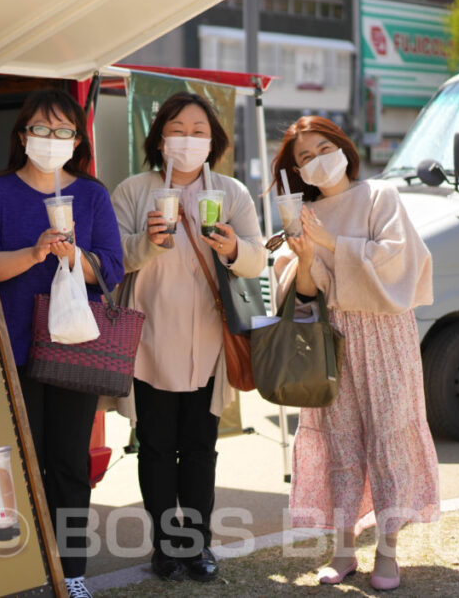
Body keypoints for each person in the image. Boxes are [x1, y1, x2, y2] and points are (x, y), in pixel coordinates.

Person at [271, 115, 438, 591]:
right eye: (304, 157)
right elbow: (301, 293)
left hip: (385, 333)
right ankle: (343, 550)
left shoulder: (380, 196)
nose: (315, 161)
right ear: (296, 171)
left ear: (343, 147)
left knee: (389, 435)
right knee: (339, 440)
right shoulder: (301, 213)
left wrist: (330, 242)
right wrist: (305, 257)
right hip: (333, 336)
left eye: (322, 147)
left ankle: (387, 550)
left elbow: (397, 260)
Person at [0, 89, 124, 598]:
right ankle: (23, 565)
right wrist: (35, 254)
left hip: (74, 343)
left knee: (68, 460)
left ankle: (70, 569)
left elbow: (113, 270)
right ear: (22, 135)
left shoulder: (94, 195)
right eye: (41, 129)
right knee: (16, 458)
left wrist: (73, 254)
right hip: (10, 341)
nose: (51, 139)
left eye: (62, 132)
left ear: (76, 140)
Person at [110, 92, 266, 583]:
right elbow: (111, 260)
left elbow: (259, 261)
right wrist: (147, 243)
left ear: (213, 140)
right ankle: (164, 547)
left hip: (209, 343)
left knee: (200, 448)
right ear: (160, 138)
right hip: (148, 342)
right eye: (178, 129)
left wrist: (234, 246)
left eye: (199, 131)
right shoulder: (135, 191)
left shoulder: (232, 192)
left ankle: (197, 547)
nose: (188, 140)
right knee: (155, 447)